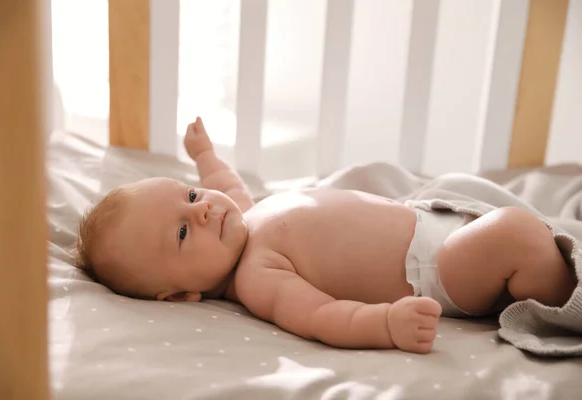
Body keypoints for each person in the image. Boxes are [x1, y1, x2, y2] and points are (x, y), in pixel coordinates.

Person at [75, 117, 577, 354]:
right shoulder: (257, 277)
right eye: (182, 232)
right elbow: (321, 316)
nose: (203, 211)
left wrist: (204, 157)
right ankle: (566, 297)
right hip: (436, 267)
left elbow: (223, 186)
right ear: (181, 294)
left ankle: (552, 252)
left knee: (480, 197)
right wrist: (386, 325)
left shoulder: (245, 219)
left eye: (188, 196)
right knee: (514, 234)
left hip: (436, 216)